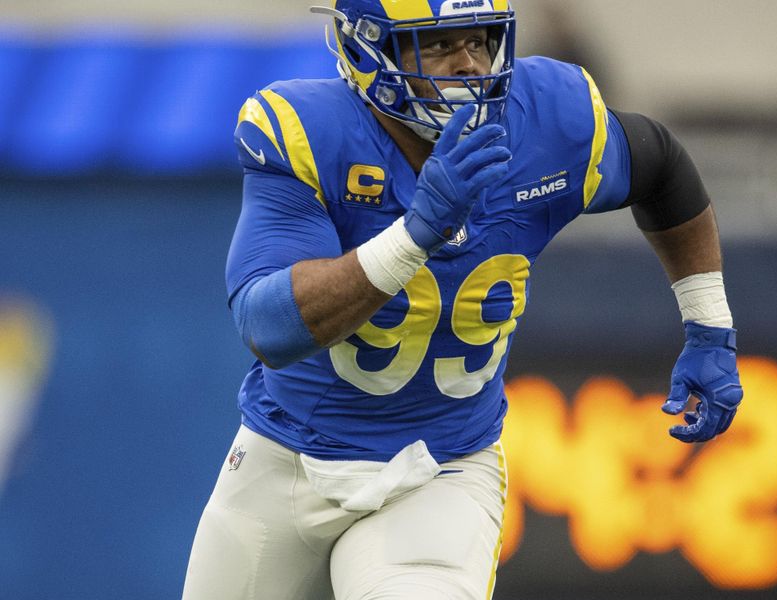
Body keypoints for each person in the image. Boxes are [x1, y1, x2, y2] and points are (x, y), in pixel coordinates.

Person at [182, 1, 743, 598]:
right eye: (441, 45)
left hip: (439, 467)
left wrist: (709, 325)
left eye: (479, 41)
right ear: (372, 50)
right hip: (286, 458)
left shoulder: (546, 119)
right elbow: (268, 325)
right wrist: (413, 235)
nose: (470, 65)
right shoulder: (310, 131)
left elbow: (660, 165)